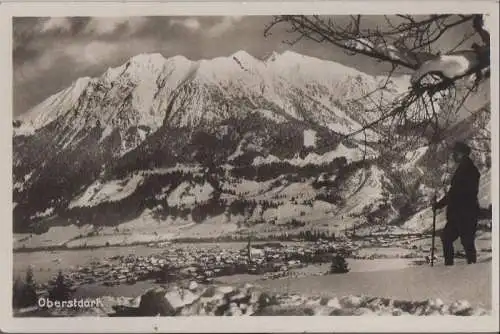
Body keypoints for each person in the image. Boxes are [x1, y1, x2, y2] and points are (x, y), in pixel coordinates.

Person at [433, 141, 480, 265]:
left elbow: (456, 193)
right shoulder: (464, 169)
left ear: (462, 154)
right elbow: (453, 193)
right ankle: (451, 268)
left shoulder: (469, 171)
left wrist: (440, 204)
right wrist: (440, 204)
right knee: (450, 239)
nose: (453, 155)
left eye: (455, 153)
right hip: (459, 215)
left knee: (466, 242)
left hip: (465, 215)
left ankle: (470, 269)